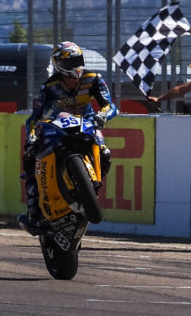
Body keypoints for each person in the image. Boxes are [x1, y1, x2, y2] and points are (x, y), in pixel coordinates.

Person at [18, 41, 118, 235]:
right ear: (59, 65)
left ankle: (88, 188)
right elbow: (34, 117)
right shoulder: (49, 86)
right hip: (57, 127)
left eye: (78, 60)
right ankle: (33, 213)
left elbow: (110, 105)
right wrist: (30, 136)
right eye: (71, 61)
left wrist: (102, 115)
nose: (77, 66)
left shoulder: (93, 79)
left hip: (87, 123)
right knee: (31, 156)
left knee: (105, 154)